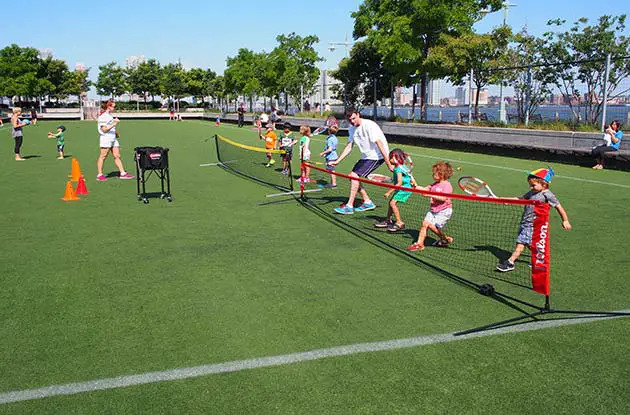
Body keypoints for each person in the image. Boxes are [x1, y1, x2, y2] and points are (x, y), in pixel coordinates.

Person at [496, 167, 571, 272]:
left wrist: (565, 220)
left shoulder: (548, 195)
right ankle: (539, 258)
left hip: (534, 224)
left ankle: (510, 262)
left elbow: (559, 207)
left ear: (544, 184)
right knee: (530, 244)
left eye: (533, 185)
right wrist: (506, 200)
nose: (531, 187)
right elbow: (520, 199)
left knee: (520, 243)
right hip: (525, 222)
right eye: (530, 185)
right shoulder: (531, 193)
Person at [330, 108, 393, 215]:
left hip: (377, 156)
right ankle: (368, 202)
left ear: (358, 115)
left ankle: (349, 206)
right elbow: (349, 146)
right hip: (366, 156)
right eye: (350, 120)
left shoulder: (369, 125)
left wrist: (388, 163)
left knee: (354, 175)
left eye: (354, 118)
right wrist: (337, 161)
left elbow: (379, 143)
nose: (353, 121)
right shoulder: (352, 129)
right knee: (352, 176)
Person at [408, 161, 454, 251]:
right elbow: (425, 189)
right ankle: (419, 244)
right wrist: (415, 186)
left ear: (442, 174)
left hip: (444, 211)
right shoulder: (434, 184)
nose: (433, 175)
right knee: (425, 224)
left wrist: (429, 195)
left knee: (432, 226)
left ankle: (444, 239)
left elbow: (443, 198)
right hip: (433, 210)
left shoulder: (447, 185)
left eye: (435, 173)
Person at [374, 149, 415, 232]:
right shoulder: (401, 166)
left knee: (392, 203)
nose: (389, 160)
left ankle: (399, 222)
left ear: (397, 158)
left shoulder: (398, 169)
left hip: (404, 189)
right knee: (391, 203)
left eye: (391, 158)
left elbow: (399, 183)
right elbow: (409, 175)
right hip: (404, 187)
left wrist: (388, 192)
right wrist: (413, 182)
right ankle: (388, 220)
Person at [96, 100, 134, 181]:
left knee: (117, 156)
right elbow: (104, 129)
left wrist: (116, 133)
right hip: (106, 139)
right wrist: (114, 123)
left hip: (113, 139)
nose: (114, 108)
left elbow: (110, 127)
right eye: (113, 106)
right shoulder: (103, 117)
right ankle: (99, 174)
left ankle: (123, 173)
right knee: (103, 156)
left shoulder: (109, 116)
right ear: (108, 107)